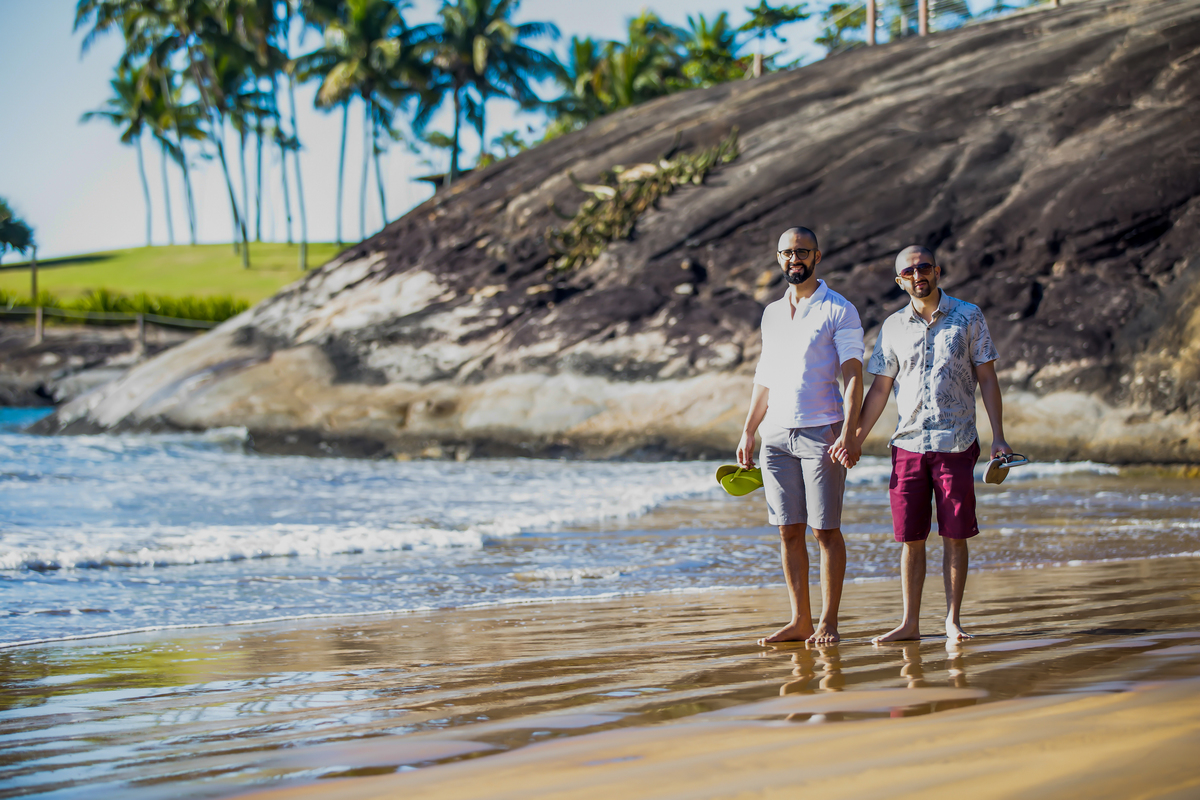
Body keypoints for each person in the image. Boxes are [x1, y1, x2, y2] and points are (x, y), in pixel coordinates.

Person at [853, 245, 1011, 643]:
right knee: (911, 537)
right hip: (907, 443)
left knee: (955, 534)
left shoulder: (968, 315)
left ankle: (953, 621)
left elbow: (988, 379)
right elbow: (880, 388)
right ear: (899, 281)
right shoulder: (892, 327)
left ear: (937, 271)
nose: (917, 274)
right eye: (909, 271)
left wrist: (1000, 437)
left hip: (956, 441)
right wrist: (855, 437)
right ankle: (909, 623)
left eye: (924, 267)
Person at [737, 227, 864, 645]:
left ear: (817, 256)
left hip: (821, 433)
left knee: (824, 531)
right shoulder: (772, 312)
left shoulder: (838, 309)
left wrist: (849, 431)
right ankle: (800, 621)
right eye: (788, 253)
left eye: (802, 252)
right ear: (778, 258)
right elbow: (765, 375)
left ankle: (829, 621)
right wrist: (749, 429)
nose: (795, 259)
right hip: (775, 435)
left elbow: (853, 375)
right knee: (787, 530)